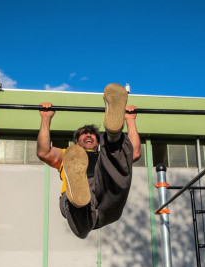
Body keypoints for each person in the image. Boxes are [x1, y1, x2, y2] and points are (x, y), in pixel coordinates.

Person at [36, 83, 141, 239]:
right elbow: (44, 152)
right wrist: (46, 118)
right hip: (79, 202)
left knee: (116, 158)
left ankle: (113, 136)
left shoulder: (103, 157)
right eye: (84, 134)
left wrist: (129, 120)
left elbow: (134, 153)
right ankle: (78, 194)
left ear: (97, 142)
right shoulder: (67, 155)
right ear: (76, 141)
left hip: (105, 195)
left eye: (92, 134)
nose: (89, 135)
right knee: (80, 207)